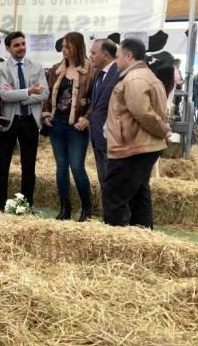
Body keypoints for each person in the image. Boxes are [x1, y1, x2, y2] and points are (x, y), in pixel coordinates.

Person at [103, 38, 170, 229]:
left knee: (113, 196)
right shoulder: (145, 75)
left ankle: (118, 242)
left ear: (128, 56)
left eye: (117, 57)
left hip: (133, 147)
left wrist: (162, 131)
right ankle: (141, 238)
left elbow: (142, 112)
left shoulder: (134, 79)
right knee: (139, 195)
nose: (116, 62)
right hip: (141, 145)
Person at [42, 32, 96, 221]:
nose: (63, 50)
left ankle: (86, 209)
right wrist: (46, 114)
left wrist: (86, 118)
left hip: (78, 126)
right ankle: (65, 207)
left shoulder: (91, 70)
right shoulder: (56, 68)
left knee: (77, 166)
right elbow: (48, 96)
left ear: (77, 47)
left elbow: (96, 100)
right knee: (61, 166)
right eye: (62, 46)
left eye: (67, 46)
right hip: (57, 124)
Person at [0, 31, 49, 211]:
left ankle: (26, 204)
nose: (21, 48)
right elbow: (4, 95)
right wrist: (30, 91)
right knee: (3, 164)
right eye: (16, 45)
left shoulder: (37, 66)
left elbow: (45, 93)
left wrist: (22, 95)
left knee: (29, 166)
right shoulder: (0, 69)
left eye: (23, 44)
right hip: (9, 121)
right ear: (8, 48)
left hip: (30, 121)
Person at [87, 38, 119, 198]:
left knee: (113, 185)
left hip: (113, 140)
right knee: (104, 182)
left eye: (93, 53)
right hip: (98, 138)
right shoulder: (99, 74)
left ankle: (117, 220)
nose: (90, 56)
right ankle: (109, 218)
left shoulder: (119, 74)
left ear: (106, 55)